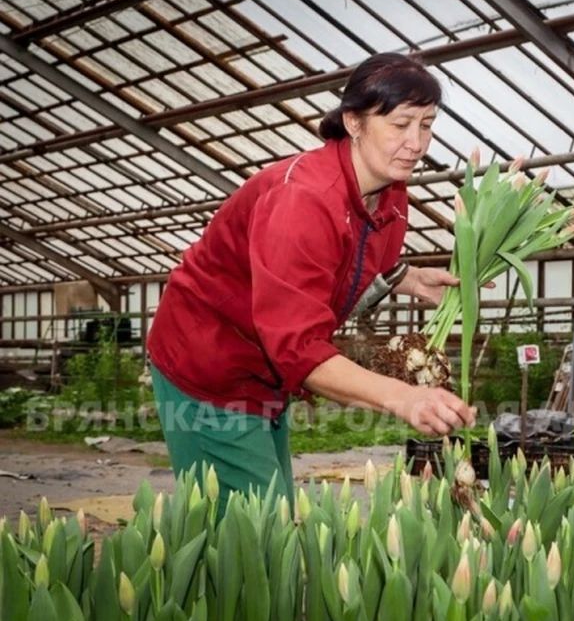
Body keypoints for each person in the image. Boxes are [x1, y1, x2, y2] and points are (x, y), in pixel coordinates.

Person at [146, 52, 476, 519]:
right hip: (210, 367)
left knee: (265, 514)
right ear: (354, 122)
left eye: (426, 124)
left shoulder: (390, 194)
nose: (416, 142)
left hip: (267, 375)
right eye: (401, 124)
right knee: (252, 533)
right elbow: (297, 345)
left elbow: (345, 259)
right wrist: (405, 396)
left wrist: (406, 277)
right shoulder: (301, 199)